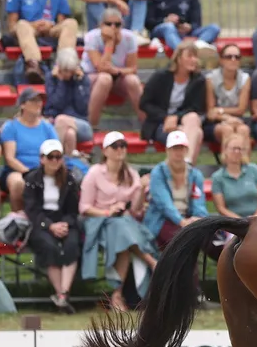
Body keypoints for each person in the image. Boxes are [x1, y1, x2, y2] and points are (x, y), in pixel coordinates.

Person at [79, 130, 156, 311]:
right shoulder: (94, 173)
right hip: (99, 222)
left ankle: (117, 294)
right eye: (115, 146)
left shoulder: (131, 174)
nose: (120, 149)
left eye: (123, 145)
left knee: (123, 231)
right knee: (122, 229)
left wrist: (141, 190)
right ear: (105, 151)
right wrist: (107, 212)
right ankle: (151, 262)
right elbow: (84, 207)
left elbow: (136, 209)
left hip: (124, 224)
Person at [5, 0, 79, 84]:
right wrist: (33, 25)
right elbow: (12, 26)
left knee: (71, 23)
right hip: (29, 30)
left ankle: (64, 64)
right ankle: (34, 65)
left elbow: (61, 23)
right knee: (21, 24)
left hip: (50, 30)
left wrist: (51, 25)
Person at [23, 139, 81, 313]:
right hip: (41, 221)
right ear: (42, 159)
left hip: (64, 219)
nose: (55, 160)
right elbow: (32, 210)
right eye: (50, 157)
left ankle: (63, 294)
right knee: (49, 246)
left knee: (72, 244)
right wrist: (49, 225)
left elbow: (73, 209)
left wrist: (65, 224)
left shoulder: (69, 179)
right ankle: (61, 294)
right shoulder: (32, 179)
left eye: (58, 157)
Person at [144, 129, 208, 259]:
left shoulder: (195, 174)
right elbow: (164, 204)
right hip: (162, 219)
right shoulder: (158, 173)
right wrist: (182, 221)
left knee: (208, 240)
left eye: (181, 148)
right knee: (183, 243)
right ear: (167, 150)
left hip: (187, 219)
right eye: (175, 148)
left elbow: (198, 201)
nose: (178, 152)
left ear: (186, 150)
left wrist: (198, 218)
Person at [140, 39, 206, 163]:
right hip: (160, 124)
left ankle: (184, 163)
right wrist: (165, 118)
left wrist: (176, 117)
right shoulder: (161, 77)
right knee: (197, 134)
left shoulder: (198, 80)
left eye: (195, 57)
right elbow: (144, 103)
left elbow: (196, 107)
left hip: (184, 123)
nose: (194, 60)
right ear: (179, 58)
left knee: (192, 118)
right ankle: (186, 166)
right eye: (189, 56)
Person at [82, 5, 145, 127]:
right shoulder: (91, 37)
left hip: (118, 76)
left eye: (117, 24)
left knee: (133, 80)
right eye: (108, 24)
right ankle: (91, 126)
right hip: (92, 77)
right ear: (101, 25)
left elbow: (132, 68)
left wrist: (115, 71)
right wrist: (109, 43)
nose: (113, 28)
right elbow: (100, 67)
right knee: (105, 79)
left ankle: (147, 124)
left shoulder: (129, 37)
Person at [0, 88, 59, 212]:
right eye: (33, 100)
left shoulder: (47, 127)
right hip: (17, 171)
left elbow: (56, 152)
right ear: (23, 105)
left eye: (40, 100)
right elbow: (10, 158)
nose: (38, 104)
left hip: (44, 168)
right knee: (17, 183)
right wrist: (29, 173)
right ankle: (18, 217)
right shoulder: (11, 127)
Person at [43, 48, 94, 157]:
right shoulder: (51, 78)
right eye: (64, 70)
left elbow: (82, 108)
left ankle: (54, 156)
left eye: (70, 71)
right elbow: (56, 104)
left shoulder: (83, 80)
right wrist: (61, 82)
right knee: (70, 134)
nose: (67, 74)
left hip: (81, 124)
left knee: (61, 120)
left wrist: (78, 83)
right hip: (55, 123)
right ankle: (67, 162)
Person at [204, 42, 251, 150]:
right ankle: (228, 160)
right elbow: (211, 113)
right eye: (229, 57)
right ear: (221, 60)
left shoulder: (245, 78)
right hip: (215, 122)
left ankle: (244, 160)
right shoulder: (211, 79)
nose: (233, 60)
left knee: (244, 130)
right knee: (227, 129)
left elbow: (241, 109)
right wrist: (227, 117)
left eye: (237, 57)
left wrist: (220, 110)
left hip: (238, 120)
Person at [211, 135, 257, 219]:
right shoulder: (217, 177)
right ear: (225, 150)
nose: (237, 151)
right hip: (232, 221)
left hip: (256, 219)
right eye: (234, 148)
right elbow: (221, 208)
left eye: (240, 149)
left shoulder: (253, 169)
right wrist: (241, 221)